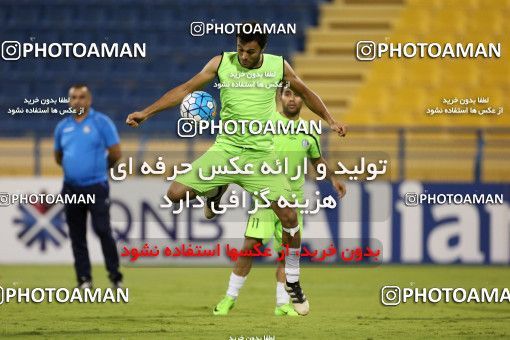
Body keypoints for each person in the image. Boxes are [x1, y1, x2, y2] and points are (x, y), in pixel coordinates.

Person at [126, 22, 347, 314]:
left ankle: (292, 279)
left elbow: (306, 92)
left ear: (262, 50)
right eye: (240, 49)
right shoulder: (221, 63)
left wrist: (329, 120)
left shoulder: (278, 66)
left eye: (250, 51)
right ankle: (215, 190)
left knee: (290, 217)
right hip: (226, 150)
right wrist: (146, 113)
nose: (243, 55)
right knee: (176, 193)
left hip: (261, 158)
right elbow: (184, 89)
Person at [213, 86, 346, 316]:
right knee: (249, 248)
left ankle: (282, 304)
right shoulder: (265, 124)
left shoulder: (309, 132)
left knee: (287, 254)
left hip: (294, 203)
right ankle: (229, 298)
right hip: (267, 199)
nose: (292, 99)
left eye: (296, 95)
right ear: (279, 97)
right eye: (287, 94)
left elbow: (317, 161)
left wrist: (333, 178)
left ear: (303, 100)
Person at [54, 84, 123, 289]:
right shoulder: (62, 127)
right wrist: (73, 169)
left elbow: (116, 153)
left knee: (102, 230)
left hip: (96, 186)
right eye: (73, 97)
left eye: (81, 97)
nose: (77, 101)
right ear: (69, 100)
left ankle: (115, 276)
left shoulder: (101, 123)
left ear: (89, 100)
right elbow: (58, 156)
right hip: (71, 188)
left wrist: (100, 169)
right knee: (77, 234)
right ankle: (84, 279)